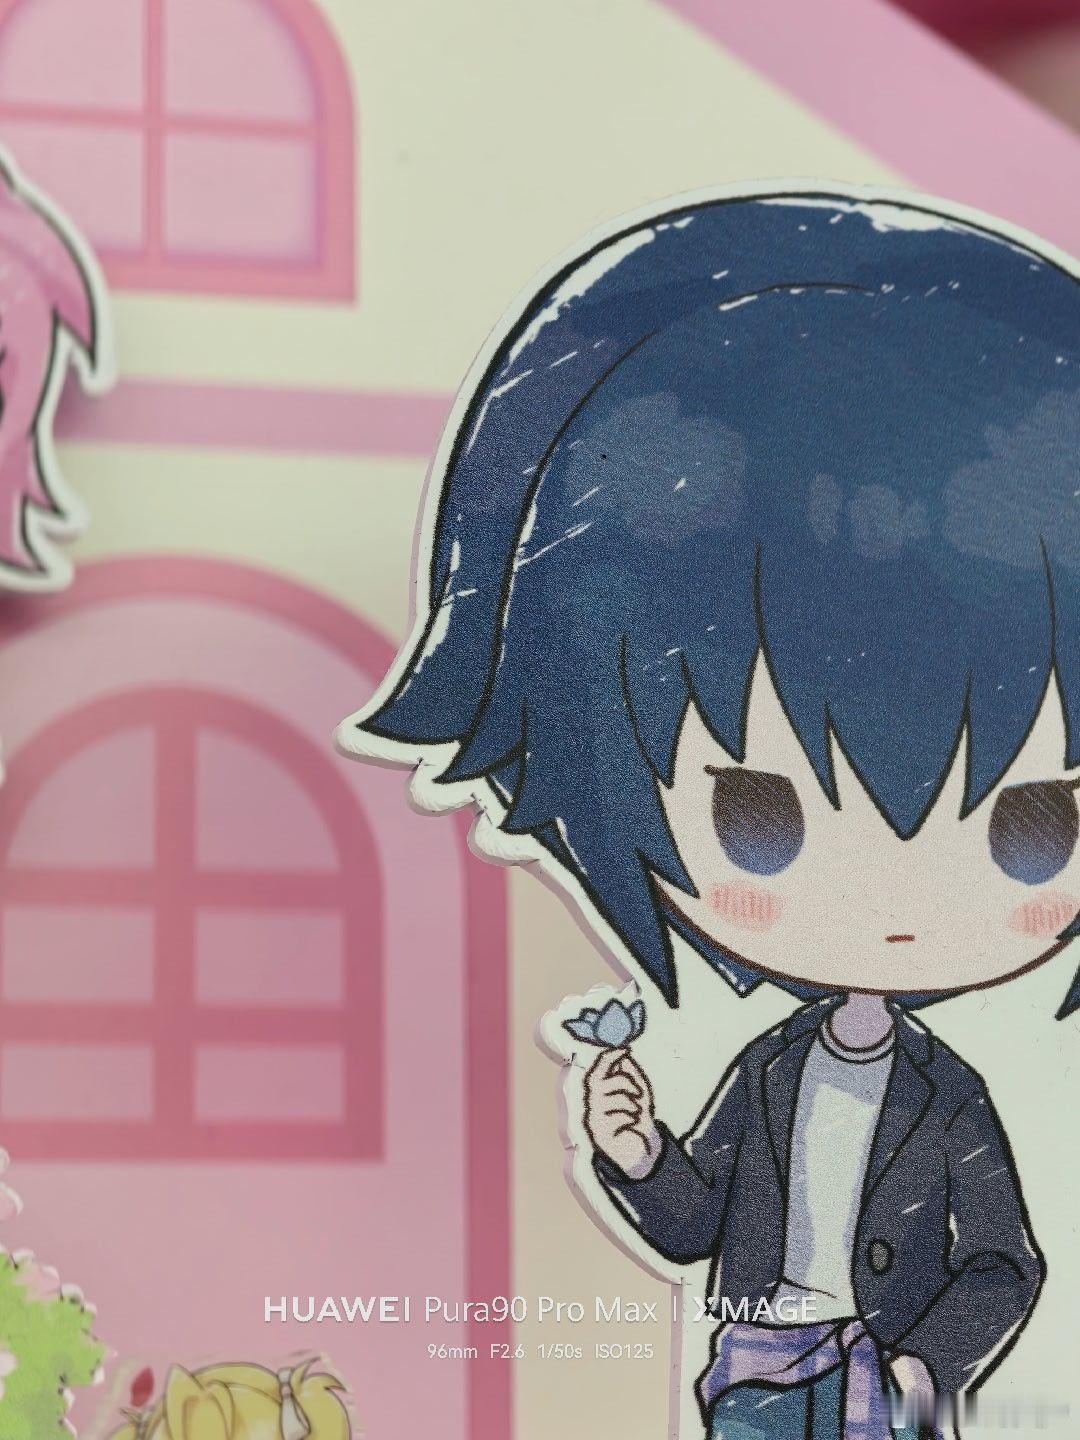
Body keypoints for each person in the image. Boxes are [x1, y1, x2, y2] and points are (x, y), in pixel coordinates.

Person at [338, 186, 1079, 1437]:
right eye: (758, 815)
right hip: (750, 1372)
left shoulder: (947, 1099)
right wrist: (636, 1153)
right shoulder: (772, 1069)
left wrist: (920, 1370)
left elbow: (1006, 1261)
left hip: (877, 1392)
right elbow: (697, 1225)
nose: (895, 905)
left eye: (1033, 827)